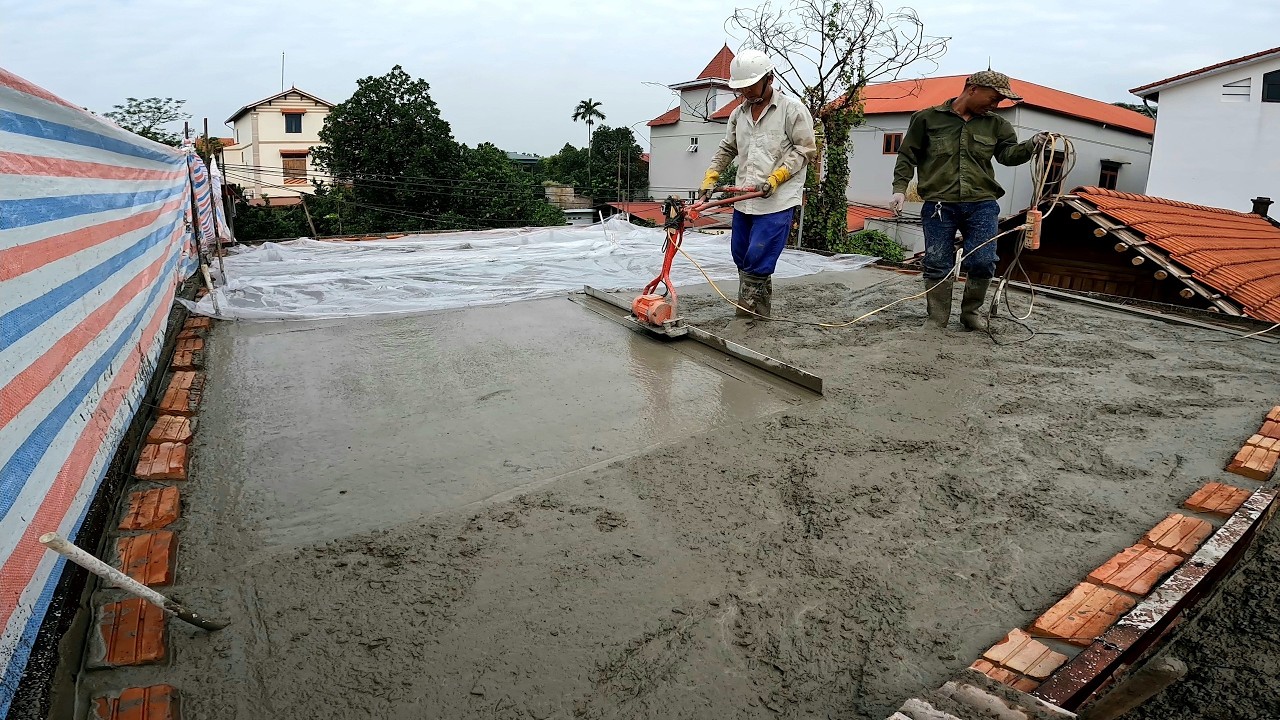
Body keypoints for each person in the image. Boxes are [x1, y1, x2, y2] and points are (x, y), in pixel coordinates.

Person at [890, 70, 1049, 331]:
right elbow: (908, 156)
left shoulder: (997, 124)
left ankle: (971, 314)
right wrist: (899, 189)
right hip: (939, 205)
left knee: (984, 260)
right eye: (993, 98)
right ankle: (937, 318)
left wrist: (1033, 144)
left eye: (999, 101)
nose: (995, 105)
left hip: (982, 204)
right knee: (937, 261)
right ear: (972, 89)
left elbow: (1008, 156)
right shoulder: (926, 119)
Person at [699, 49, 817, 319]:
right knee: (741, 256)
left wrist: (777, 177)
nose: (747, 93)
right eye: (741, 88)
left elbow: (805, 150)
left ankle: (747, 318)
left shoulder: (792, 110)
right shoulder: (738, 115)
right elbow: (727, 148)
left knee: (758, 257)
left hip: (777, 200)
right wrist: (711, 176)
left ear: (769, 79)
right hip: (745, 198)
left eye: (751, 86)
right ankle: (759, 312)